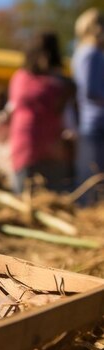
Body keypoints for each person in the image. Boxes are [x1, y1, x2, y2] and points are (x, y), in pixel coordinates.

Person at [8, 32, 71, 194]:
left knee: (54, 198)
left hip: (53, 148)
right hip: (27, 147)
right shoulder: (22, 78)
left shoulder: (61, 81)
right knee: (26, 197)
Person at [72, 8, 104, 204]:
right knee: (90, 175)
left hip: (96, 122)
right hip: (94, 123)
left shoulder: (93, 52)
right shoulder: (89, 53)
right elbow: (89, 91)